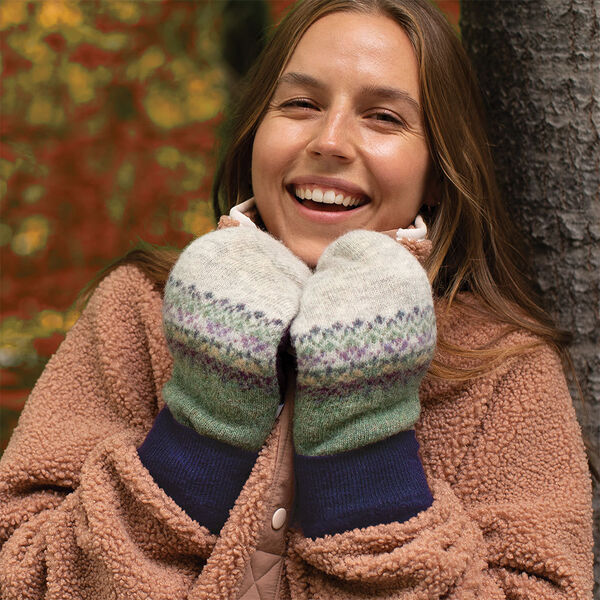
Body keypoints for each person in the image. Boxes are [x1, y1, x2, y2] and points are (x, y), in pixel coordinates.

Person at [0, 0, 594, 598]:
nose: (330, 141)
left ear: (438, 170)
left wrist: (362, 456)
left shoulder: (503, 366)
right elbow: (18, 571)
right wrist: (203, 429)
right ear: (257, 130)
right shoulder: (138, 309)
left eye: (384, 117)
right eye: (301, 104)